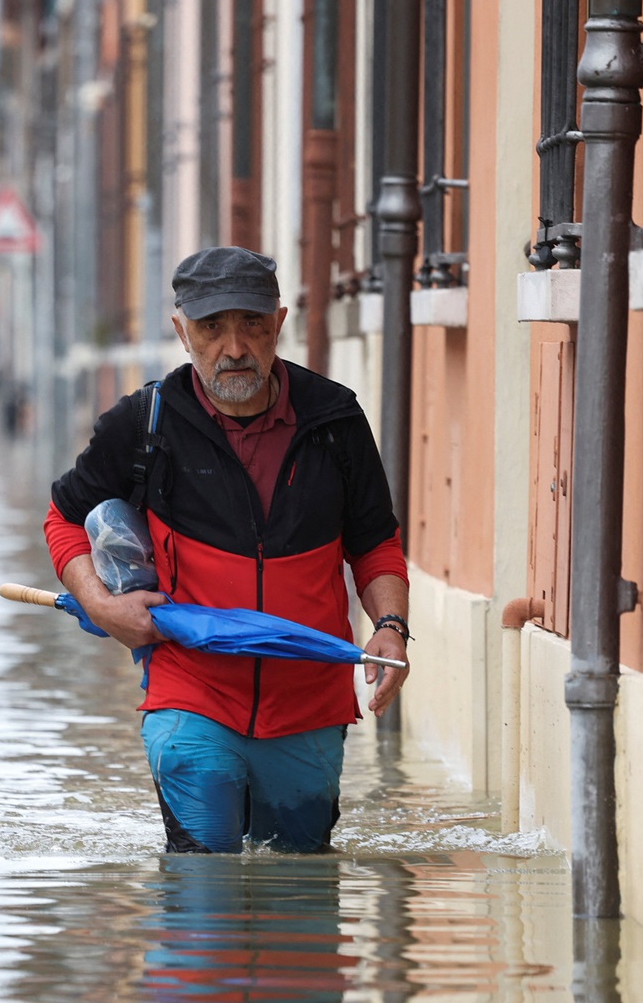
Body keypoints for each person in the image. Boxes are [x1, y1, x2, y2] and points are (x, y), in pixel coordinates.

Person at [44, 246, 411, 854]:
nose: (234, 348)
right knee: (202, 891)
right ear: (182, 332)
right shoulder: (143, 424)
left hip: (310, 702)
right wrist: (104, 608)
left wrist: (391, 625)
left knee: (300, 899)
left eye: (252, 325)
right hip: (191, 695)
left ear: (280, 324)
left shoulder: (335, 419)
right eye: (212, 328)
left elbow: (373, 540)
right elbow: (63, 518)